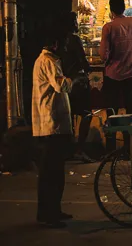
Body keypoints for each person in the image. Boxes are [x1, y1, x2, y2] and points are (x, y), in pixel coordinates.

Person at [32, 31, 80, 228]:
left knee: (54, 171)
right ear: (55, 44)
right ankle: (49, 214)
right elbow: (61, 87)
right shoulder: (49, 61)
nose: (66, 48)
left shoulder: (46, 59)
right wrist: (74, 79)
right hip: (51, 123)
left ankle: (52, 210)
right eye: (64, 43)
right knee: (51, 172)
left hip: (52, 122)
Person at [57, 12, 93, 163]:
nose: (77, 23)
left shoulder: (59, 40)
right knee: (86, 114)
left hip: (65, 83)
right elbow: (83, 61)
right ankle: (79, 149)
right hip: (77, 82)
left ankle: (68, 149)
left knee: (69, 116)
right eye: (75, 20)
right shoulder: (74, 39)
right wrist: (88, 69)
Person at [100, 0, 132, 117]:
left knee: (112, 110)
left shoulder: (108, 27)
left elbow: (103, 55)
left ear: (111, 10)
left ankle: (112, 134)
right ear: (124, 8)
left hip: (113, 74)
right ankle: (131, 134)